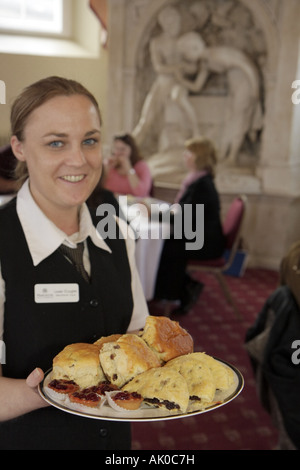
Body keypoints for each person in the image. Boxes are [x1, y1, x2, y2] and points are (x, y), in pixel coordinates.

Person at [0, 76, 149, 450]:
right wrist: (57, 391)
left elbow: (136, 337)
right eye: (55, 143)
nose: (79, 160)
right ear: (18, 147)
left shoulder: (114, 229)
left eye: (90, 140)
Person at [154, 136, 225, 314]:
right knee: (166, 242)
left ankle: (177, 293)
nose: (185, 155)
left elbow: (184, 220)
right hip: (201, 236)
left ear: (199, 157)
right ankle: (179, 289)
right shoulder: (197, 180)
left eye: (189, 152)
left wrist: (153, 214)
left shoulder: (202, 185)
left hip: (206, 243)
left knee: (168, 246)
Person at [175, 31, 262, 165]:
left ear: (195, 48)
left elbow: (245, 65)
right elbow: (197, 86)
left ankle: (232, 156)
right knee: (229, 117)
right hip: (234, 85)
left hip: (245, 82)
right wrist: (180, 79)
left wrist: (255, 89)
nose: (186, 57)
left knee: (238, 117)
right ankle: (223, 153)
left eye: (186, 53)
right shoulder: (205, 62)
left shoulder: (216, 54)